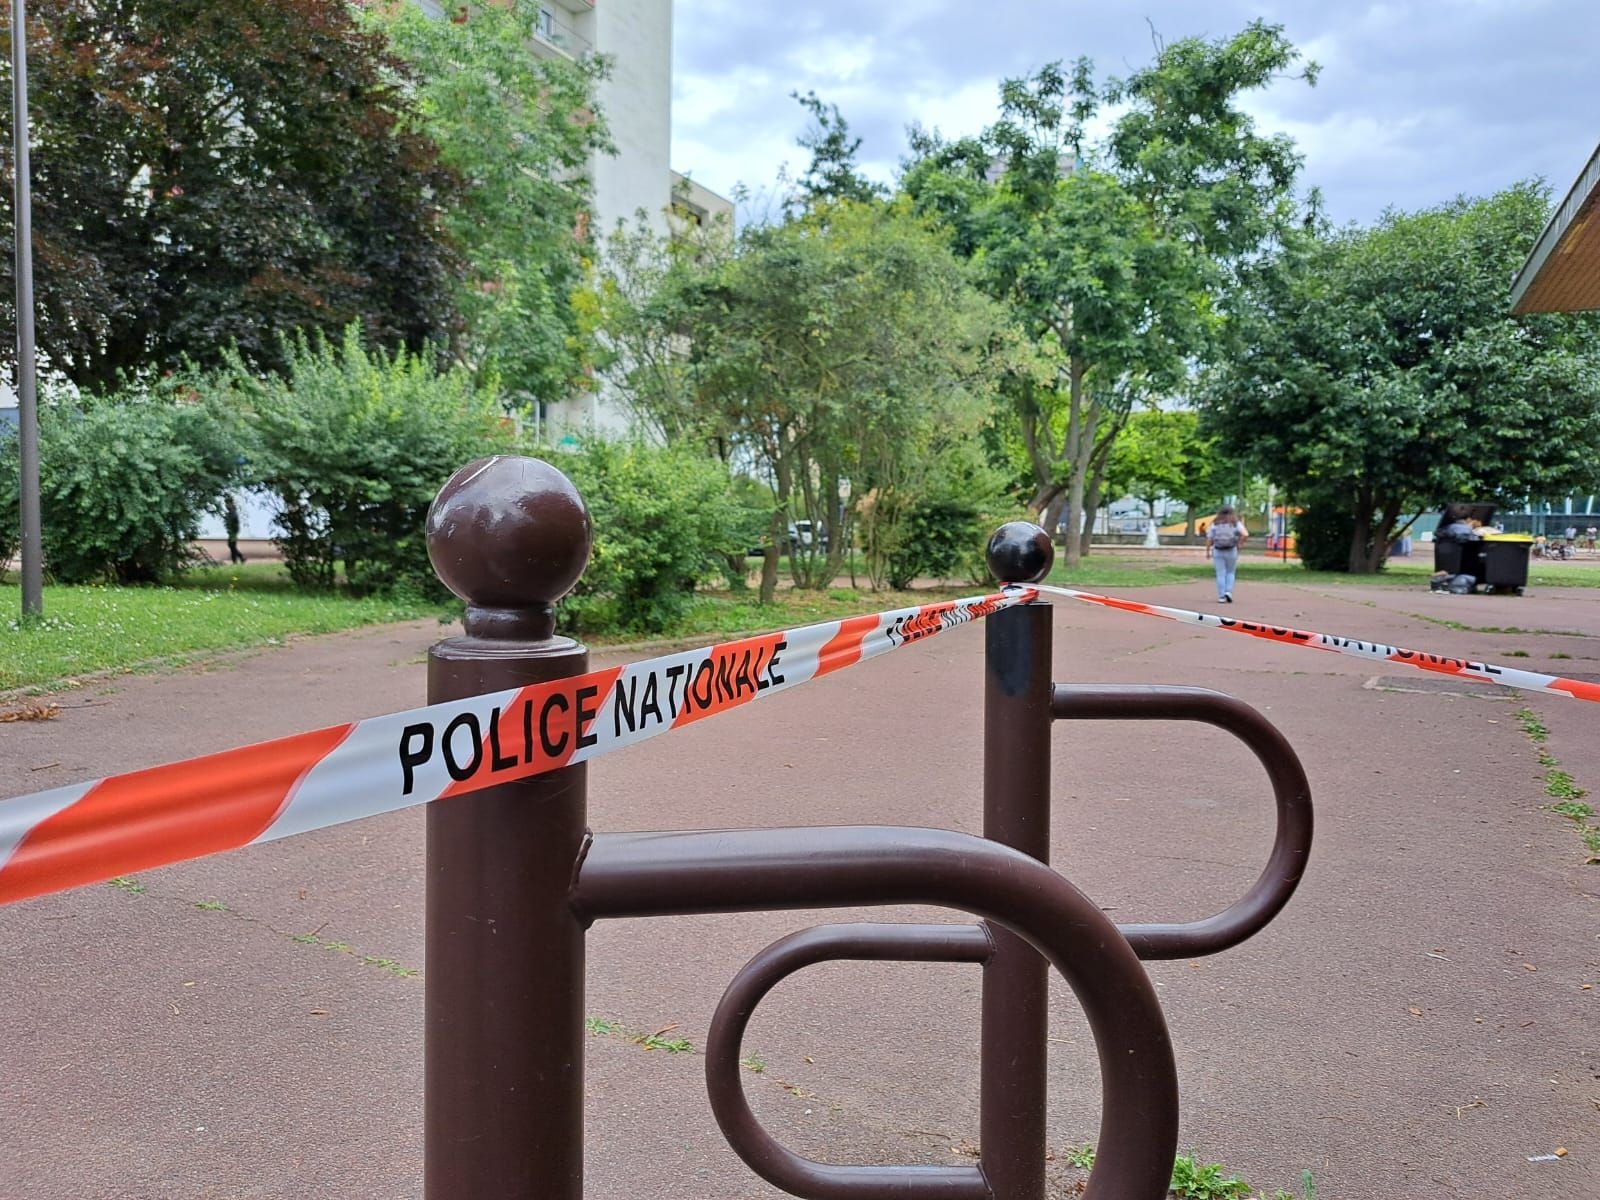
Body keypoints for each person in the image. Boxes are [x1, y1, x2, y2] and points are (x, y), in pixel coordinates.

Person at [1205, 505, 1247, 603]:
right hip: (1231, 549)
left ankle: (1221, 596)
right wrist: (1240, 544)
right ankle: (1228, 592)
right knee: (1230, 572)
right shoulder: (1235, 523)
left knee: (1220, 573)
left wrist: (1207, 551)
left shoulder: (1215, 523)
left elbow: (1209, 538)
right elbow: (1245, 534)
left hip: (1218, 550)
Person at [223, 493, 246, 565]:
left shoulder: (233, 512)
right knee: (231, 546)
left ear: (231, 503)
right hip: (231, 531)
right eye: (226, 503)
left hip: (233, 531)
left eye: (227, 503)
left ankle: (240, 558)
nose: (226, 505)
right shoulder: (230, 511)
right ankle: (237, 560)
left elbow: (234, 521)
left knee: (232, 545)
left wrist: (232, 529)